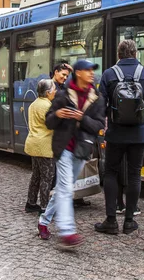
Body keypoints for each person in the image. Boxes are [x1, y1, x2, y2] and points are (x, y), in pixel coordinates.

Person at [95, 40, 144, 235]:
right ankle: (130, 221)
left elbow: (100, 106)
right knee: (134, 174)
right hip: (139, 133)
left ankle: (111, 220)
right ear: (136, 53)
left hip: (115, 133)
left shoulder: (108, 74)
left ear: (119, 54)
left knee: (111, 173)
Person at [37, 59, 106, 247]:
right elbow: (49, 122)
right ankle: (67, 232)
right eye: (87, 70)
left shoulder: (97, 98)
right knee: (66, 189)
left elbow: (99, 126)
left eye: (93, 70)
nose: (92, 73)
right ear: (78, 73)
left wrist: (82, 118)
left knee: (63, 189)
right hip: (64, 148)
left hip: (82, 150)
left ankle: (43, 221)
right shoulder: (63, 95)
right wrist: (57, 115)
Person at [50, 62, 90, 208]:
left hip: (70, 136)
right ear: (55, 72)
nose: (65, 78)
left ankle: (66, 200)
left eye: (67, 76)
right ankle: (52, 205)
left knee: (64, 174)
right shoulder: (52, 87)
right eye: (63, 75)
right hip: (59, 136)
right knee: (55, 174)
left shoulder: (63, 87)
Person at [24, 79, 57, 214]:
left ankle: (31, 203)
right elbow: (52, 124)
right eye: (54, 89)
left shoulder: (33, 104)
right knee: (46, 178)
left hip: (33, 143)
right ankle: (45, 207)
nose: (56, 91)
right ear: (48, 92)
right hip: (45, 145)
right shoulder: (47, 106)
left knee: (36, 176)